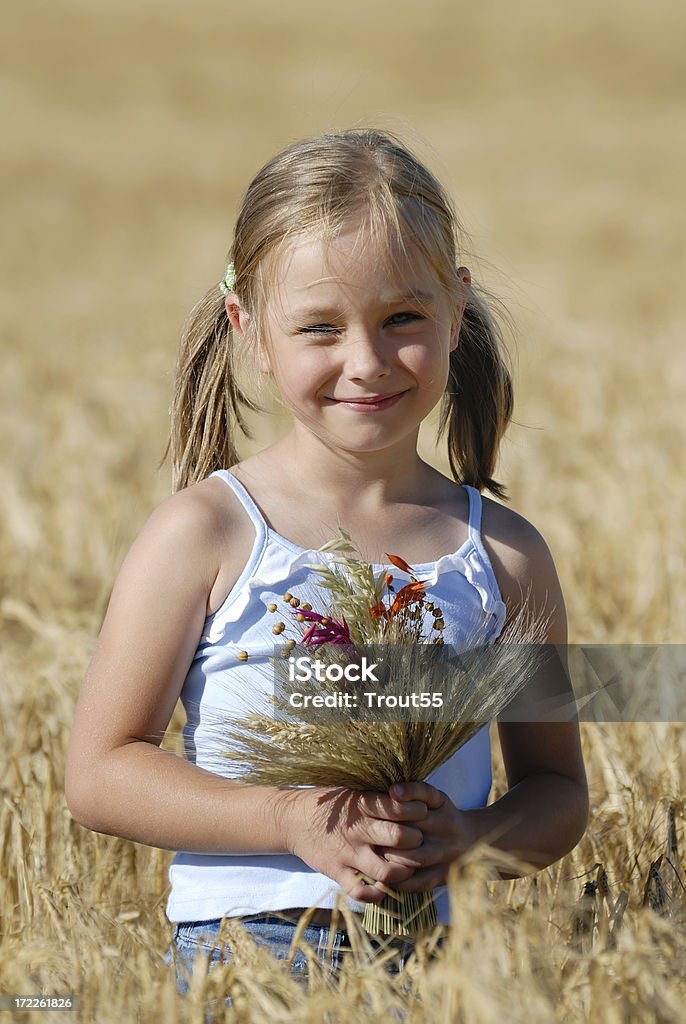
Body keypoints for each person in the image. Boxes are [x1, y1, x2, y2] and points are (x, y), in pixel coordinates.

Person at [65, 129, 588, 991]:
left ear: (457, 310)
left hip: (445, 967)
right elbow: (99, 772)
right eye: (319, 327)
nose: (367, 362)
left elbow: (557, 791)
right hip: (249, 963)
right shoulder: (208, 533)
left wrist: (465, 841)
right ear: (250, 329)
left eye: (403, 319)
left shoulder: (504, 554)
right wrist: (294, 819)